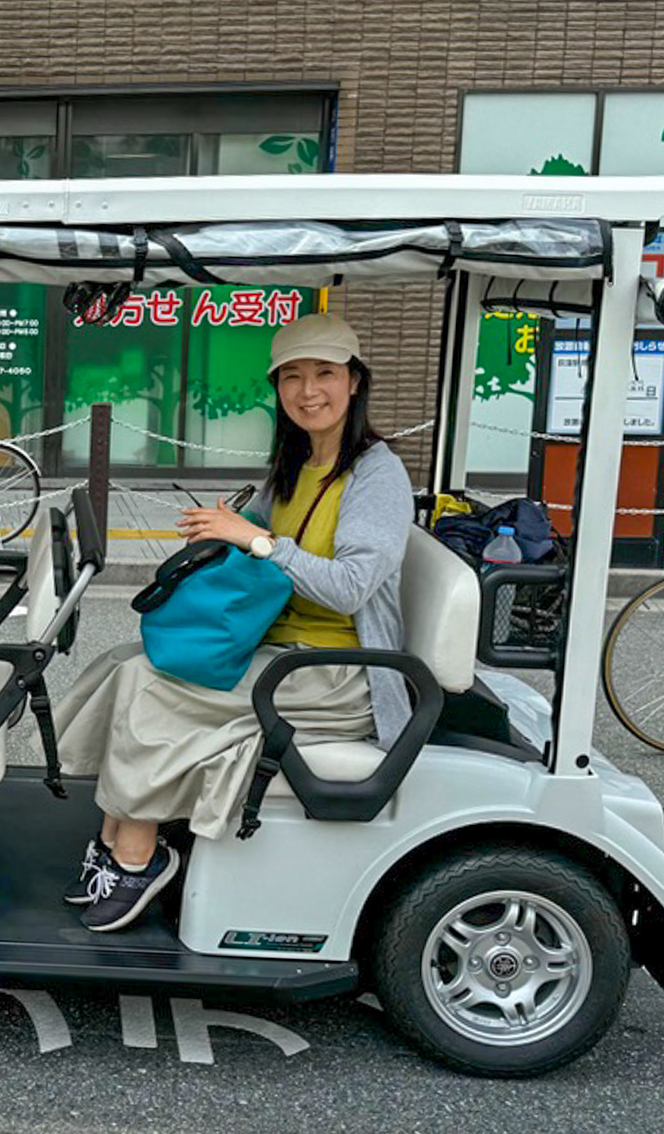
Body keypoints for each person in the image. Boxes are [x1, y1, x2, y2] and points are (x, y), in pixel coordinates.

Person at [51, 313, 413, 933]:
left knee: (153, 686)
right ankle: (115, 834)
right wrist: (228, 533)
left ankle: (140, 856)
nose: (308, 391)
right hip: (282, 649)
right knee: (127, 661)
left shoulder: (377, 475)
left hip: (339, 672)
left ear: (355, 382)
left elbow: (352, 587)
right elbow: (256, 545)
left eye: (325, 373)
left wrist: (258, 540)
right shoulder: (297, 464)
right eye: (292, 377)